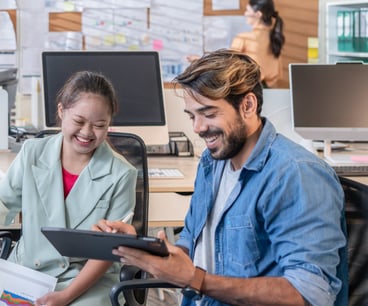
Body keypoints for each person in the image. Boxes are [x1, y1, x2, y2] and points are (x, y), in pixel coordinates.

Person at [96, 49, 347, 305]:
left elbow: (309, 293)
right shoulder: (212, 162)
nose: (198, 128)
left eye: (209, 113)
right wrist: (146, 249)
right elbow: (192, 245)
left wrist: (195, 279)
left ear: (247, 106)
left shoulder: (295, 174)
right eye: (192, 116)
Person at [0, 70, 137, 306]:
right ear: (61, 111)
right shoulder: (32, 153)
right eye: (78, 121)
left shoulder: (122, 174)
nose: (87, 132)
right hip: (27, 274)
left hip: (85, 282)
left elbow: (109, 251)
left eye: (99, 125)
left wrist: (65, 297)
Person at [188, 0, 285, 88]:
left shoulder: (245, 38)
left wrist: (201, 60)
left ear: (258, 14)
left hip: (250, 90)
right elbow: (278, 73)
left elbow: (227, 62)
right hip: (272, 91)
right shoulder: (276, 38)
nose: (245, 14)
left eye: (247, 10)